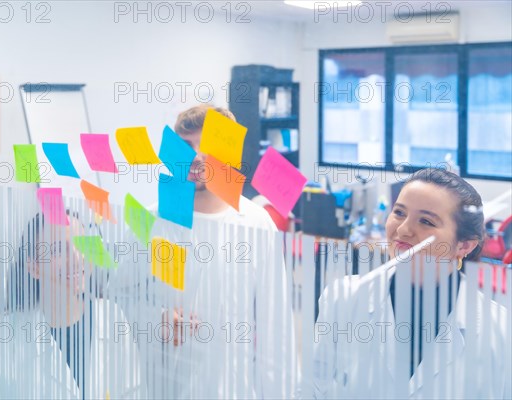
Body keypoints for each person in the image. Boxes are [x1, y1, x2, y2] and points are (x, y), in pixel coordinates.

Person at [116, 105, 296, 399]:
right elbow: (119, 297)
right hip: (164, 385)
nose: (197, 157)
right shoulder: (151, 221)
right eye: (187, 147)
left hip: (232, 387)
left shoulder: (256, 223)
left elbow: (276, 327)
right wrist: (155, 318)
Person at [310, 168, 510, 399]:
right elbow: (314, 389)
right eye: (399, 212)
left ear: (464, 246)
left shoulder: (499, 330)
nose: (403, 230)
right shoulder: (344, 298)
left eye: (426, 221)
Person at [0, 211, 136, 399]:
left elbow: (134, 392)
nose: (76, 258)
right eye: (58, 249)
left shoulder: (113, 317)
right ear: (33, 267)